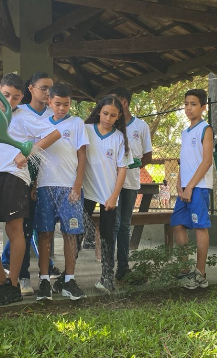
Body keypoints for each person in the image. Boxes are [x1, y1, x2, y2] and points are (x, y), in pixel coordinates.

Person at [0, 73, 60, 306]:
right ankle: (0, 281)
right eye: (5, 95)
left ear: (22, 97)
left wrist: (27, 153)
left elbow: (54, 133)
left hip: (14, 177)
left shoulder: (23, 117)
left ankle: (13, 285)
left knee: (14, 230)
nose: (10, 101)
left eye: (15, 97)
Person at [1, 72, 61, 296]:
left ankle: (44, 271)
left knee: (42, 227)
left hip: (47, 177)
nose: (48, 93)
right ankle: (21, 276)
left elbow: (56, 137)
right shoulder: (20, 112)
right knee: (22, 227)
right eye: (43, 88)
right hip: (23, 175)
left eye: (50, 89)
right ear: (31, 89)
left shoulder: (53, 114)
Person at [34, 84, 89, 301]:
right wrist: (34, 185)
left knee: (70, 233)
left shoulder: (76, 123)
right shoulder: (40, 124)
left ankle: (69, 281)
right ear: (49, 102)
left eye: (66, 104)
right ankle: (44, 280)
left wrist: (77, 185)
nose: (62, 108)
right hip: (45, 186)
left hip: (69, 187)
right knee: (45, 233)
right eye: (57, 104)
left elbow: (82, 156)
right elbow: (35, 156)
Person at [83, 95, 129, 294]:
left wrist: (114, 196)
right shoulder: (85, 130)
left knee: (108, 236)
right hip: (85, 192)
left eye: (113, 115)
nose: (107, 118)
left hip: (109, 195)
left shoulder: (119, 138)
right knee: (76, 234)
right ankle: (67, 278)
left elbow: (122, 169)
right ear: (98, 111)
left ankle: (107, 278)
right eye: (105, 113)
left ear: (118, 117)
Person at [171, 89, 214, 290]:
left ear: (203, 107)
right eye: (186, 104)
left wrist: (190, 186)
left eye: (194, 104)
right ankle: (185, 269)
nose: (189, 108)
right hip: (185, 188)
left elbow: (206, 161)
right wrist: (180, 183)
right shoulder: (185, 132)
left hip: (199, 187)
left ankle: (200, 273)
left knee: (199, 227)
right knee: (177, 223)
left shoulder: (206, 129)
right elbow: (184, 161)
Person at [110, 87, 153, 281]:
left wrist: (137, 164)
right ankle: (108, 267)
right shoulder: (110, 124)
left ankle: (123, 267)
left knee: (124, 225)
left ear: (124, 102)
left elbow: (148, 155)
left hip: (131, 183)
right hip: (111, 183)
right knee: (113, 224)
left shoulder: (141, 126)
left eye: (115, 101)